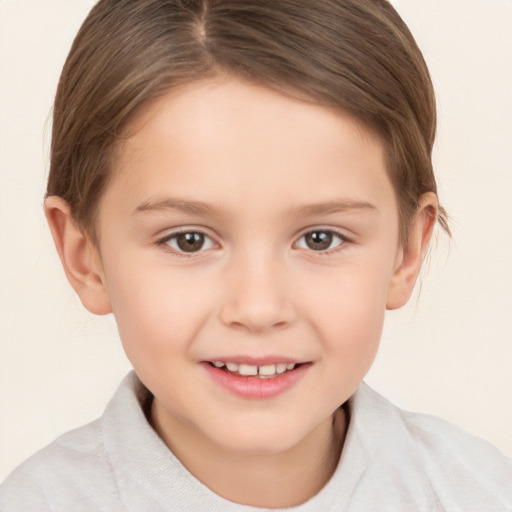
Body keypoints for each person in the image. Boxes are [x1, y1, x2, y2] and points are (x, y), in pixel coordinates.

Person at [1, 0, 510, 510]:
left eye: (320, 239)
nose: (259, 308)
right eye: (189, 240)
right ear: (85, 256)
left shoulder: (479, 493)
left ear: (407, 251)